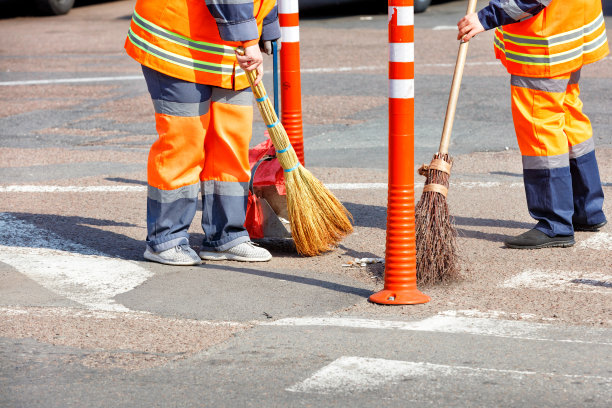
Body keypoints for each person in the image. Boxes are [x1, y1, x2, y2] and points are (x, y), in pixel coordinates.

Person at [124, 0, 281, 265]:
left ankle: (227, 236)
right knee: (184, 141)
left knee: (231, 141)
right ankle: (166, 240)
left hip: (229, 45)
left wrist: (266, 25)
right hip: (178, 40)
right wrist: (249, 37)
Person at [457, 0, 609, 249]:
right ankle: (585, 209)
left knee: (541, 127)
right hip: (569, 29)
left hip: (546, 40)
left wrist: (486, 17)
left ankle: (555, 222)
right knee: (567, 114)